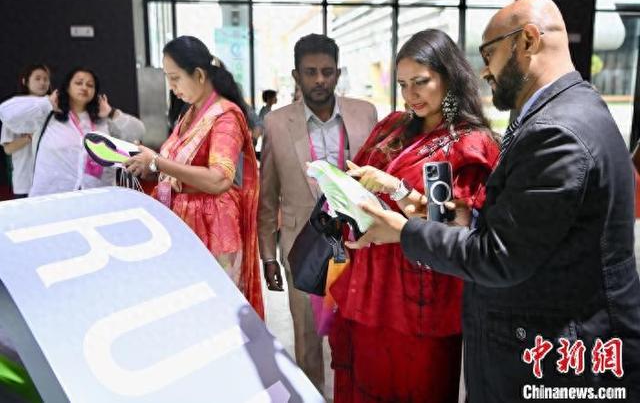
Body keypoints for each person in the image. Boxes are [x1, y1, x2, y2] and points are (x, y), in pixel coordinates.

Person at [346, 0, 640, 402]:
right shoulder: (566, 111)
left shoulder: (555, 132)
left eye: (489, 54)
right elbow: (529, 227)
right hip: (540, 331)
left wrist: (403, 230)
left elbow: (500, 256)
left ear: (528, 40)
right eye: (403, 84)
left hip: (552, 346)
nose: (484, 69)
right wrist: (465, 217)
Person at [328, 29, 500, 402]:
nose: (410, 95)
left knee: (417, 386)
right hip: (368, 280)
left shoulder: (469, 143)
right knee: (362, 381)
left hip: (423, 293)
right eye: (403, 84)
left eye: (420, 82)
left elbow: (456, 227)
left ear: (449, 76)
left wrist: (396, 188)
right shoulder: (392, 126)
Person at [258, 33, 377, 393]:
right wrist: (268, 257)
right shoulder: (277, 123)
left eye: (327, 71)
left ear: (338, 73)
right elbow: (268, 196)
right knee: (308, 340)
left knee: (357, 334)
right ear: (296, 76)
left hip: (358, 244)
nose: (320, 80)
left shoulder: (365, 114)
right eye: (311, 72)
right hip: (302, 247)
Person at [124, 35, 264, 318]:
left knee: (216, 310)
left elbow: (219, 179)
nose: (171, 86)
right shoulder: (192, 112)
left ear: (199, 75)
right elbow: (176, 165)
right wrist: (150, 165)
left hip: (213, 223)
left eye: (175, 78)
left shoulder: (225, 116)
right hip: (184, 219)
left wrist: (158, 162)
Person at [0, 66, 144, 197]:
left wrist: (111, 112)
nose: (84, 87)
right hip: (53, 199)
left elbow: (138, 132)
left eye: (90, 85)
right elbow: (5, 112)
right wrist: (47, 103)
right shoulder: (48, 116)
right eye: (78, 83)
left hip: (97, 198)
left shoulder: (102, 120)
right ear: (67, 87)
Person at [0, 64, 51, 198]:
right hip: (25, 181)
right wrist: (32, 136)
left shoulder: (52, 108)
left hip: (50, 181)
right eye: (37, 78)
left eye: (46, 79)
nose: (42, 83)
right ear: (25, 81)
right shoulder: (13, 111)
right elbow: (8, 149)